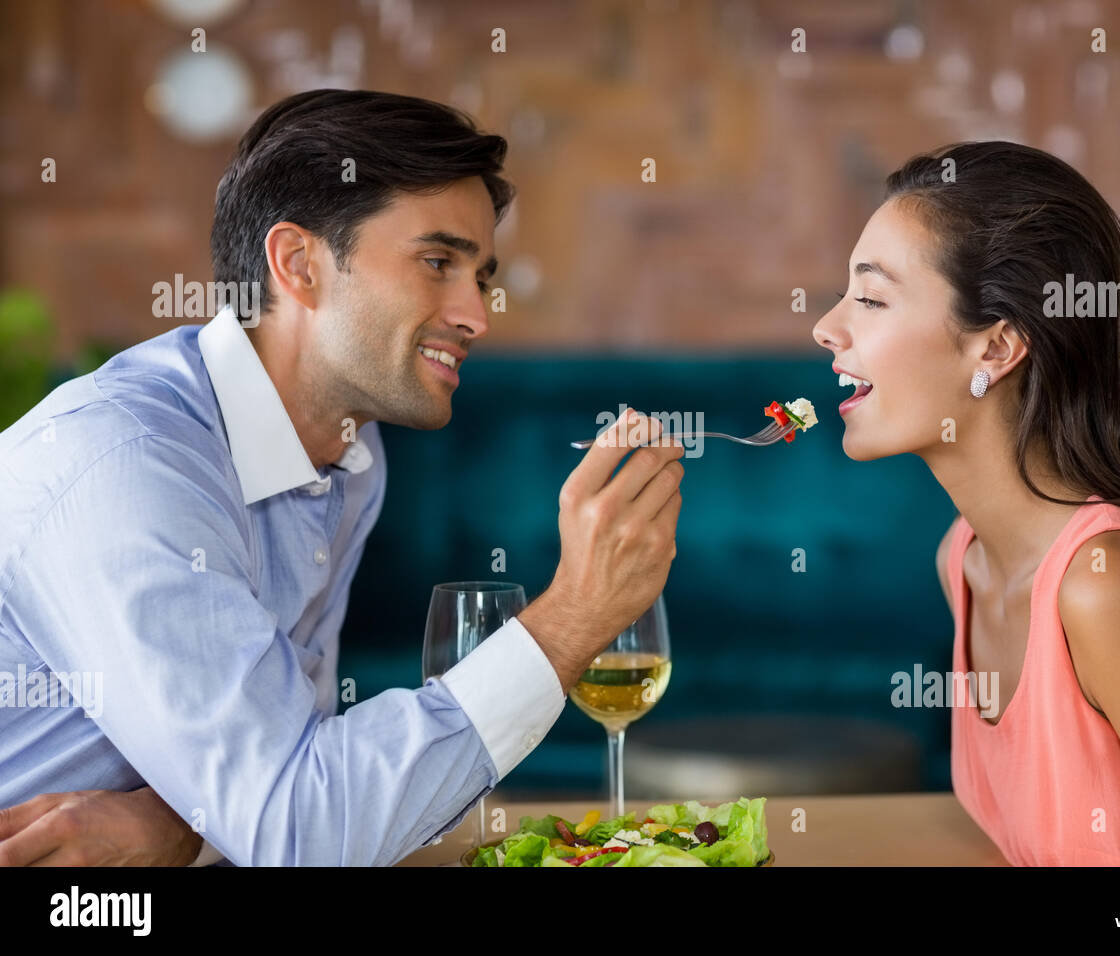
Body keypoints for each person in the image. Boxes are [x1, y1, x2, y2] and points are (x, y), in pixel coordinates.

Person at [0, 90, 684, 866]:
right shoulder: (128, 468)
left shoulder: (349, 456)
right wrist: (572, 619)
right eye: (437, 263)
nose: (477, 317)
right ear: (298, 264)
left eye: (481, 278)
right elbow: (303, 833)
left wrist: (177, 828)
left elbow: (300, 767)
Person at [812, 141, 1120, 865]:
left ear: (997, 348)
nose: (826, 326)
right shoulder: (965, 559)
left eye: (872, 298)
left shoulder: (1112, 586)